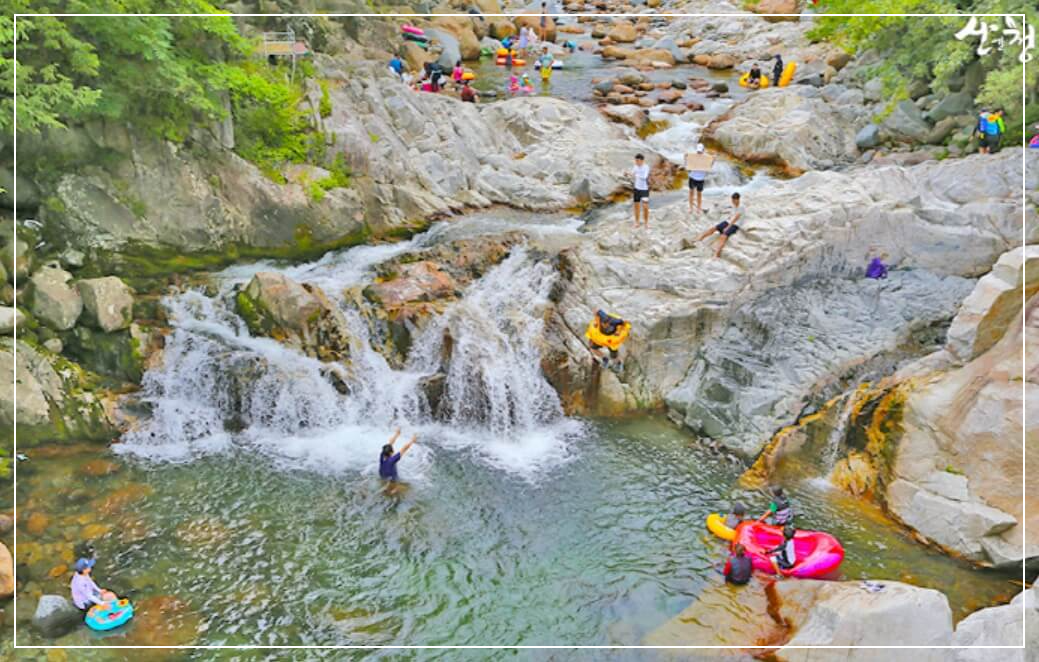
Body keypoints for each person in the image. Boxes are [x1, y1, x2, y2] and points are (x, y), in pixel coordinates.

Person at [684, 192, 744, 257]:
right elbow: (731, 215)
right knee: (713, 228)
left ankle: (716, 253)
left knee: (723, 236)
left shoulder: (741, 207)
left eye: (734, 200)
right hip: (728, 221)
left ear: (738, 199)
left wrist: (727, 227)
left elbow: (736, 218)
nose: (733, 202)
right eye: (732, 200)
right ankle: (698, 239)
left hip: (735, 225)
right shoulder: (734, 205)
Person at [631, 153, 650, 229]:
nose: (636, 162)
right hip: (636, 189)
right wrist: (628, 174)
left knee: (645, 206)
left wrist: (636, 175)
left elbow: (644, 177)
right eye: (635, 161)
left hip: (644, 189)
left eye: (638, 161)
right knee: (637, 206)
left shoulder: (646, 167)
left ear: (642, 161)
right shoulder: (635, 166)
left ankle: (646, 223)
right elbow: (632, 173)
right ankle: (637, 222)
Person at [688, 143, 709, 214]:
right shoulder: (693, 156)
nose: (699, 152)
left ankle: (699, 208)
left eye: (700, 151)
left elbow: (708, 168)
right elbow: (688, 167)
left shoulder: (706, 158)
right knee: (691, 192)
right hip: (692, 177)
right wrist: (686, 158)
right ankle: (690, 208)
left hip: (701, 179)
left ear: (703, 150)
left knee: (699, 194)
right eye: (698, 151)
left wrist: (713, 160)